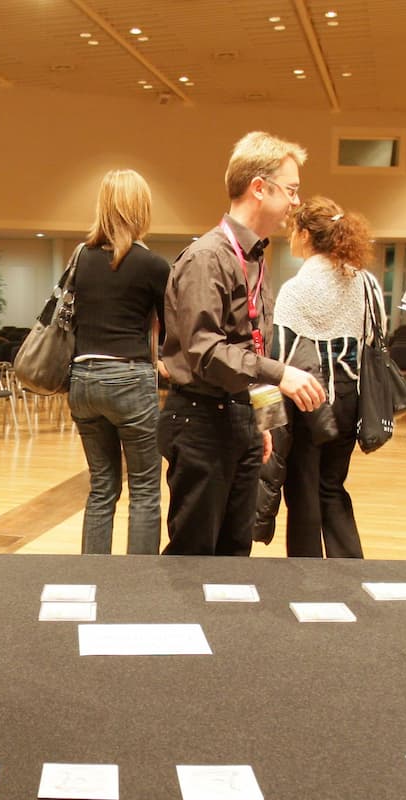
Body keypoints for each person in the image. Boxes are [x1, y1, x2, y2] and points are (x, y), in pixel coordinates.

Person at [159, 131, 325, 556]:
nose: (295, 202)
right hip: (201, 421)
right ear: (258, 189)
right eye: (290, 190)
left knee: (235, 553)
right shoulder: (207, 258)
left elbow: (251, 345)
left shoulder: (253, 257)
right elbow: (207, 351)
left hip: (239, 420)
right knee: (195, 557)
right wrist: (281, 376)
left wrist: (263, 419)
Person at [264, 198, 378, 558]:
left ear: (304, 234)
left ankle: (307, 574)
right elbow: (376, 338)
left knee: (302, 492)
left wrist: (264, 418)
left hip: (309, 400)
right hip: (351, 397)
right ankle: (350, 568)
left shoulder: (298, 289)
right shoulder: (368, 283)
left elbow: (278, 355)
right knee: (331, 486)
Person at [66, 169, 170, 555]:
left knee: (102, 486)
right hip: (129, 379)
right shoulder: (154, 266)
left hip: (82, 379)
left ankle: (93, 577)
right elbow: (171, 331)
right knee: (144, 487)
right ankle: (136, 583)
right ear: (141, 208)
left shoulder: (81, 258)